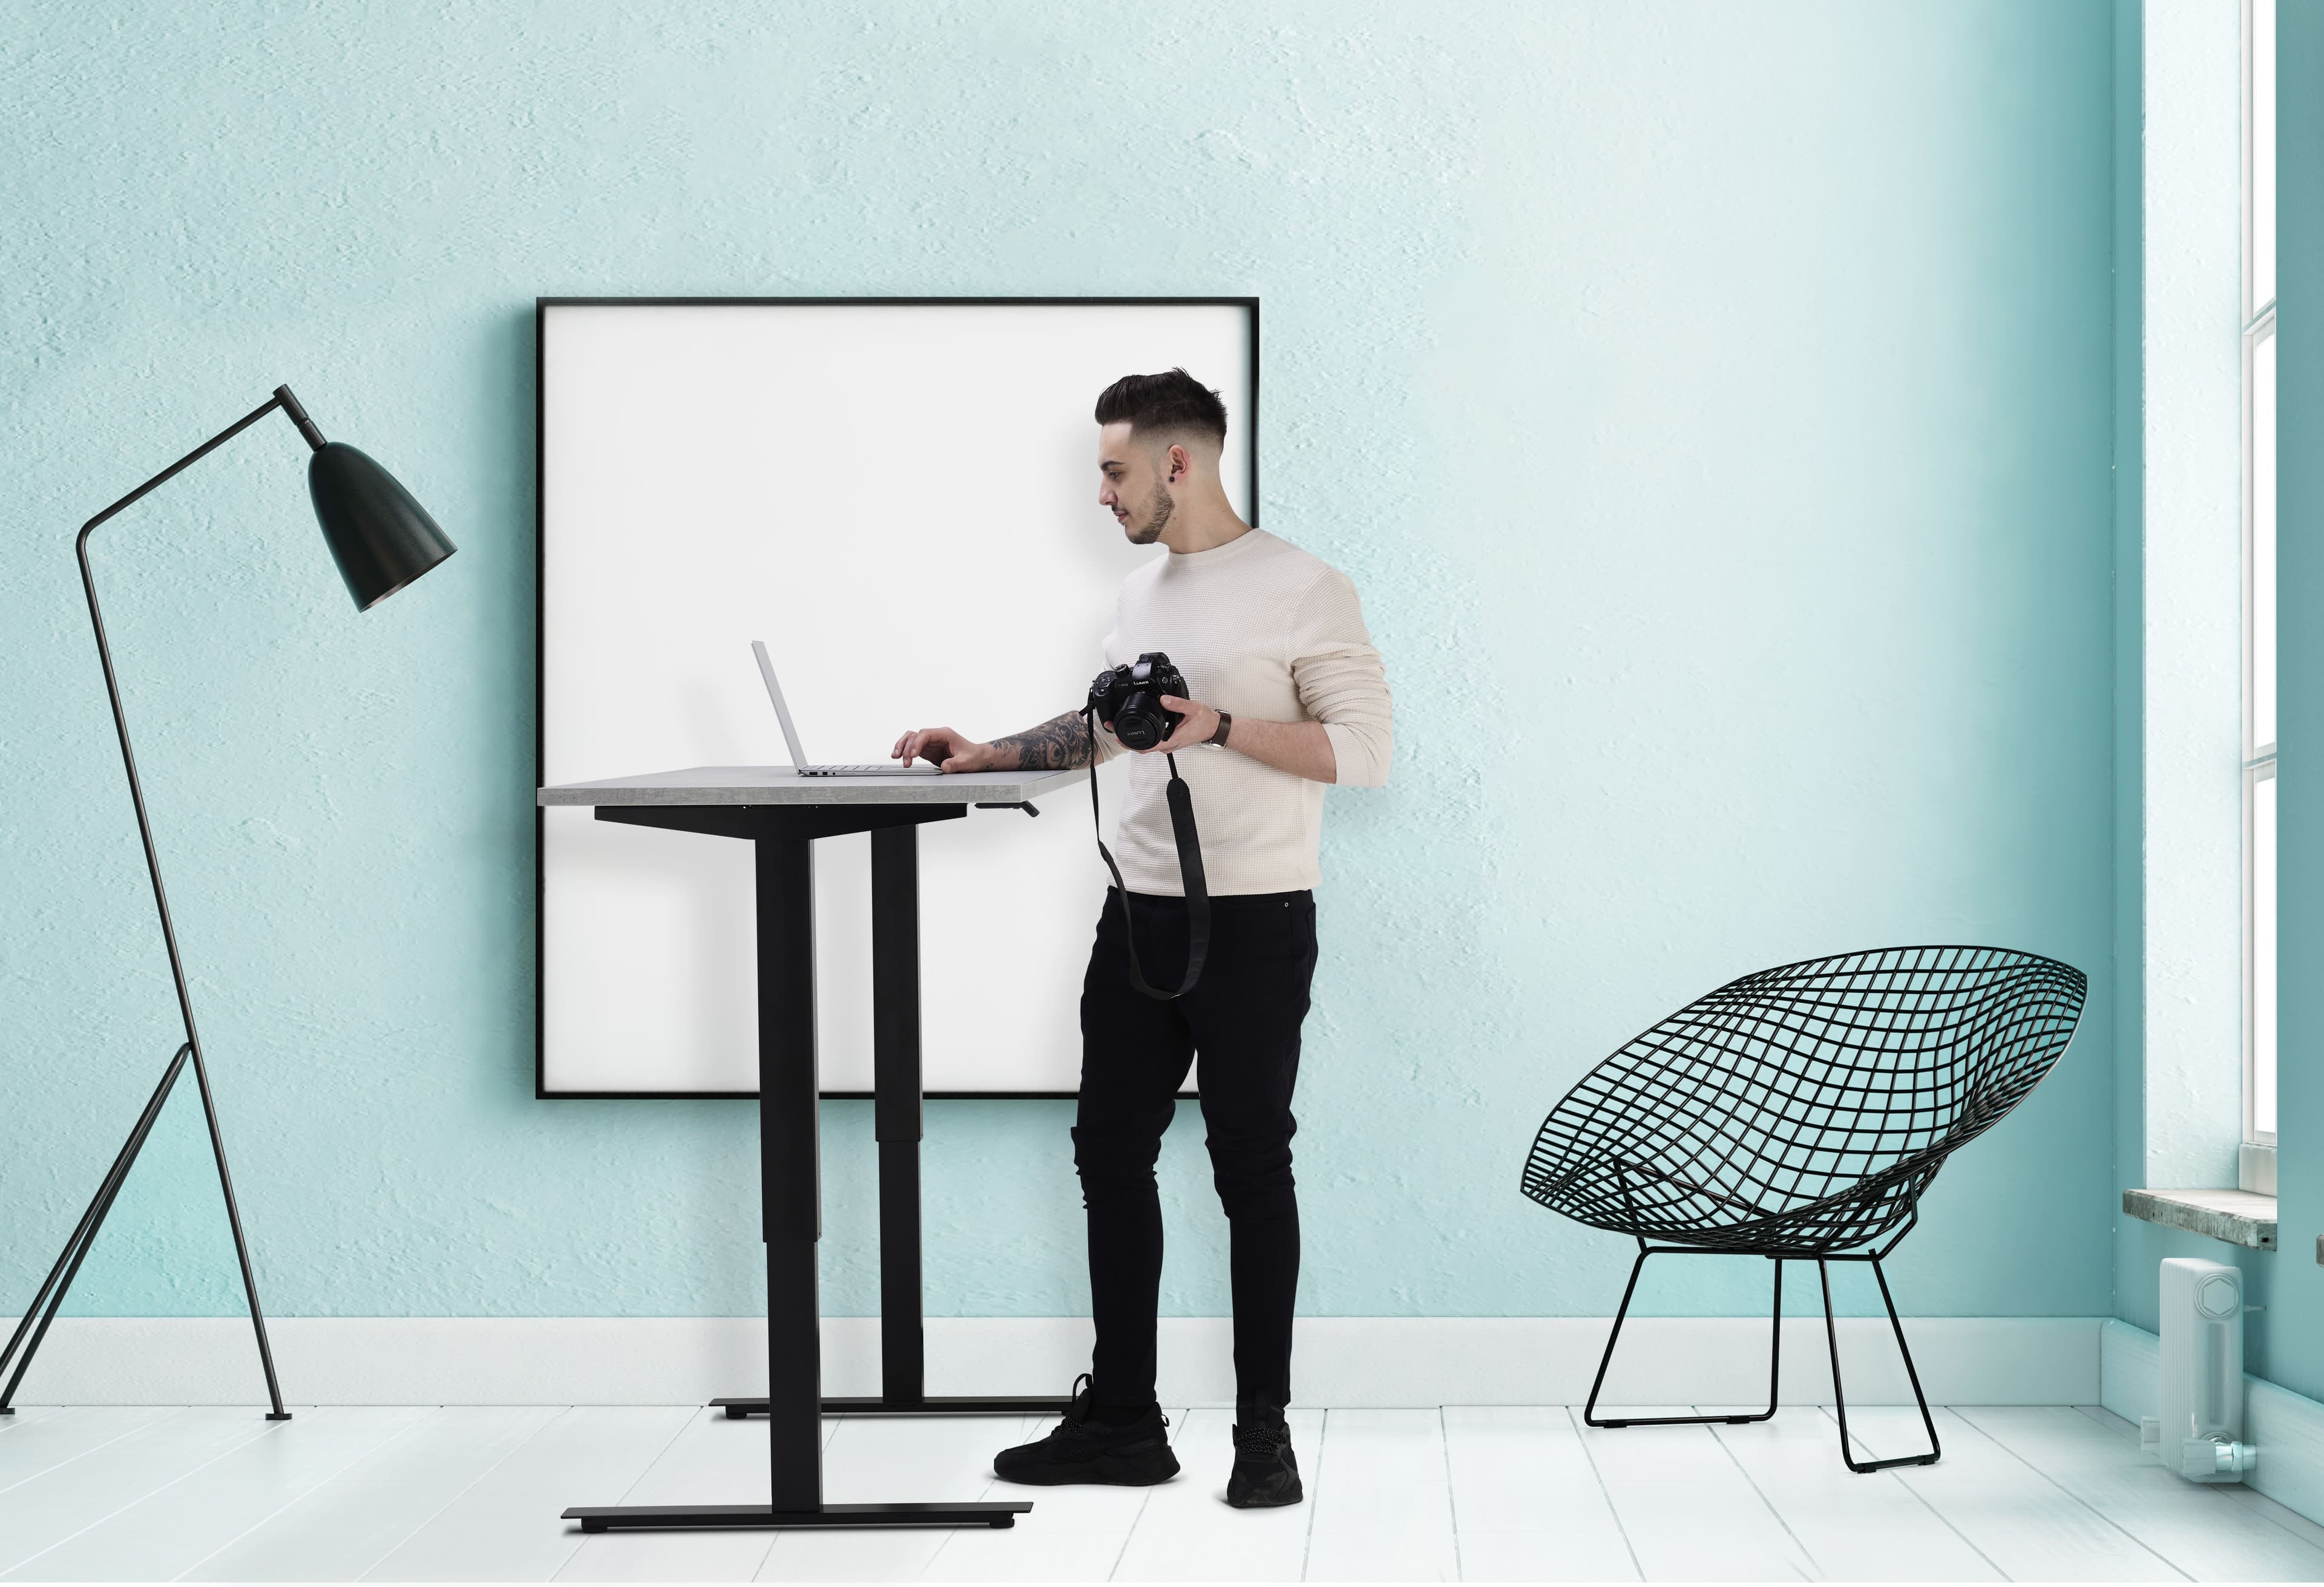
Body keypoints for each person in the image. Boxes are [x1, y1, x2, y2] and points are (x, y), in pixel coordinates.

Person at [891, 368, 1392, 1508]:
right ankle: (1125, 1420)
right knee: (1108, 1156)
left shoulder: (1307, 589)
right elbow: (1112, 733)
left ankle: (1263, 1436)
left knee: (1250, 1165)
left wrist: (1216, 723)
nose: (1101, 496)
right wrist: (987, 755)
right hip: (1135, 919)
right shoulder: (1140, 598)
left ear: (1179, 463)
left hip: (1256, 924)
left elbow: (1364, 751)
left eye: (1115, 472)